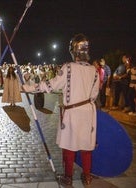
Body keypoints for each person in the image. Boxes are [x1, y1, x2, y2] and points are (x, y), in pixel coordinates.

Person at [23, 33, 99, 186]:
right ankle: (87, 176)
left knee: (69, 146)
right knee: (86, 146)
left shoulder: (68, 68)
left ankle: (68, 178)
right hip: (89, 111)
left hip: (72, 112)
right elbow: (94, 96)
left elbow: (50, 85)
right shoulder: (94, 70)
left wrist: (30, 88)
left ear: (73, 50)